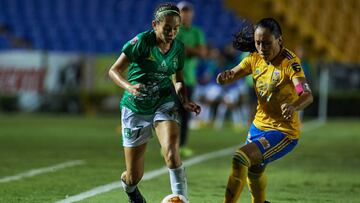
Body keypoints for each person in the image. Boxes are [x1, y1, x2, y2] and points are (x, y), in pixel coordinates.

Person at [108, 3, 201, 203]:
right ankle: (131, 190)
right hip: (136, 107)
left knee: (171, 152)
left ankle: (182, 199)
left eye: (176, 29)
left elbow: (178, 79)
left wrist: (184, 100)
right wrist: (129, 87)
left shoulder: (178, 48)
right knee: (134, 176)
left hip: (164, 100)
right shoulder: (141, 42)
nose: (172, 33)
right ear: (155, 25)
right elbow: (114, 70)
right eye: (167, 28)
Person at [217, 18, 313, 203]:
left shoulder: (290, 64)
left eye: (267, 43)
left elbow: (306, 94)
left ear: (280, 41)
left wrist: (294, 105)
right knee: (254, 172)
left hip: (283, 132)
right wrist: (223, 78)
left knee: (240, 158)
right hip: (258, 126)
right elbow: (231, 75)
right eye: (258, 43)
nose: (262, 48)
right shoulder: (254, 59)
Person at [176, 1, 206, 157]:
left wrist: (183, 47)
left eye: (187, 11)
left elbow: (202, 53)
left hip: (190, 80)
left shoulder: (197, 32)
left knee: (186, 115)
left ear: (192, 14)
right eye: (182, 11)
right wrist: (192, 50)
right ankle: (170, 145)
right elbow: (173, 49)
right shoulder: (174, 31)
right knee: (171, 114)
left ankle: (182, 145)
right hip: (172, 80)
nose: (185, 14)